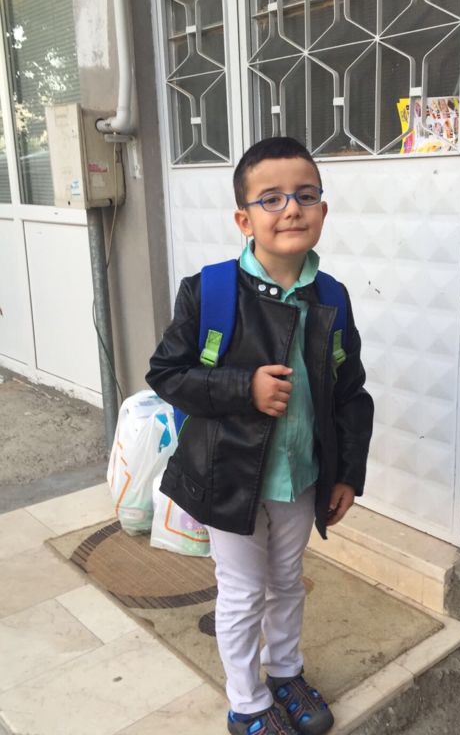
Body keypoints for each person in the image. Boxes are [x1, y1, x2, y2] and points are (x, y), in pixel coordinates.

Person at [146, 136, 374, 735]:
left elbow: (351, 393)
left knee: (287, 582)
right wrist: (243, 387)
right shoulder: (210, 291)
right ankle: (247, 702)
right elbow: (166, 374)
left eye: (305, 195)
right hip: (229, 479)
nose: (291, 208)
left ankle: (285, 672)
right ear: (244, 219)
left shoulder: (332, 297)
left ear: (323, 209)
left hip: (301, 477)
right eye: (270, 198)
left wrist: (348, 473)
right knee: (244, 593)